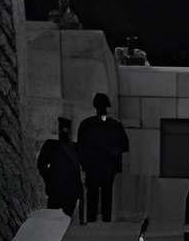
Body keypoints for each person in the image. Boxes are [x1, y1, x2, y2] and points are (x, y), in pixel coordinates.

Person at [75, 92, 129, 223]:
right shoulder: (114, 125)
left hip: (95, 166)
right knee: (105, 195)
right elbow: (124, 145)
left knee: (94, 195)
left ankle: (93, 219)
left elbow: (80, 147)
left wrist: (83, 163)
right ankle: (104, 220)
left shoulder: (86, 125)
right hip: (105, 166)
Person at [38, 116, 83, 218]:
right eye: (63, 128)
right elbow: (41, 164)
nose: (65, 131)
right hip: (58, 190)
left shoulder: (74, 147)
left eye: (67, 129)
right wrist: (50, 179)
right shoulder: (51, 145)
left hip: (69, 191)